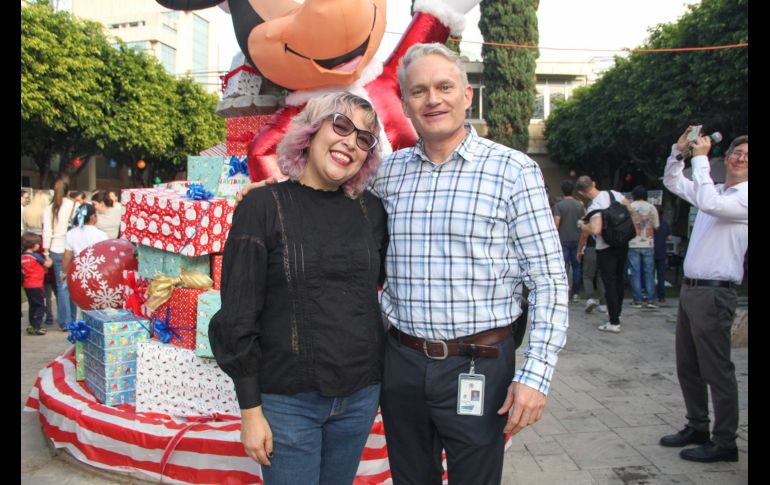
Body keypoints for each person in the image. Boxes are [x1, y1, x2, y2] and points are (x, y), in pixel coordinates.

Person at [370, 43, 568, 484]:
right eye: (419, 91)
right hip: (401, 363)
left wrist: (536, 375)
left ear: (466, 95)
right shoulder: (386, 173)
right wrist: (272, 191)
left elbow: (549, 279)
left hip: (480, 364)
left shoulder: (513, 170)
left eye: (444, 87)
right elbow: (329, 200)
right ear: (404, 103)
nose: (433, 100)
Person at [209, 92, 388, 484]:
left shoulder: (372, 211)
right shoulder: (261, 206)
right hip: (288, 405)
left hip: (360, 397)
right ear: (311, 130)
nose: (350, 142)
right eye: (341, 125)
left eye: (364, 138)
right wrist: (250, 410)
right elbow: (238, 313)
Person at [658, 129, 747, 463]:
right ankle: (697, 425)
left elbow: (710, 203)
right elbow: (673, 182)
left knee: (717, 369)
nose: (740, 159)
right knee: (688, 366)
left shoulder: (741, 197)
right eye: (737, 152)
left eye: (747, 157)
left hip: (715, 294)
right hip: (691, 290)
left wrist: (700, 159)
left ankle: (725, 442)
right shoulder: (717, 190)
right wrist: (678, 151)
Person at [576, 175, 632, 334]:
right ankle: (617, 313)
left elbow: (595, 230)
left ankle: (613, 321)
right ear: (594, 183)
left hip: (606, 247)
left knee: (609, 283)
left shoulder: (595, 206)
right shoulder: (614, 194)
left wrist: (582, 225)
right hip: (622, 243)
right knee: (619, 279)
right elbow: (630, 209)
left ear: (581, 192)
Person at [43, 177, 79, 331]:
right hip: (72, 249)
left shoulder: (49, 209)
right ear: (68, 190)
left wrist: (46, 252)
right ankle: (72, 318)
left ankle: (65, 322)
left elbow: (47, 232)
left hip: (56, 249)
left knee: (61, 286)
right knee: (72, 284)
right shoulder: (75, 206)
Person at [23, 191, 56, 326]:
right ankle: (49, 315)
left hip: (29, 241)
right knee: (50, 287)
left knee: (41, 290)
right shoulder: (47, 212)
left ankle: (39, 318)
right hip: (44, 244)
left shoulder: (27, 211)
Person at [552, 180, 586, 303]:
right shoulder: (579, 205)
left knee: (562, 267)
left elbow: (556, 223)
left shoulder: (559, 206)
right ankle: (576, 293)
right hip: (577, 239)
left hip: (563, 239)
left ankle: (562, 292)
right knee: (576, 267)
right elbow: (583, 222)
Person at [626, 185, 660, 309]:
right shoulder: (652, 207)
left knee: (635, 272)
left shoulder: (630, 207)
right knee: (649, 272)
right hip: (648, 243)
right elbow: (656, 226)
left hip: (633, 242)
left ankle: (637, 300)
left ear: (633, 195)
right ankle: (650, 299)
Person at [61, 203, 109, 277]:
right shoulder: (102, 235)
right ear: (93, 217)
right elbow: (105, 257)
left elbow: (67, 256)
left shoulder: (70, 233)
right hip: (95, 272)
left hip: (77, 271)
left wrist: (64, 273)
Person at [22, 232, 53, 336]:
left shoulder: (23, 256)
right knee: (40, 306)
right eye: (37, 243)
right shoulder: (35, 256)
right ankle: (37, 326)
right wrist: (47, 256)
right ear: (33, 245)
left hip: (27, 285)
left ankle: (31, 325)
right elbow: (48, 264)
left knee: (32, 305)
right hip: (36, 285)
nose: (39, 245)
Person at [577, 232, 607, 314]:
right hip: (604, 249)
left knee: (587, 276)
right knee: (601, 276)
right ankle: (603, 303)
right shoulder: (606, 223)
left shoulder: (590, 224)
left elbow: (584, 236)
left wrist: (579, 250)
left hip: (591, 248)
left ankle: (590, 299)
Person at [653, 208, 672, 303]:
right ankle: (661, 296)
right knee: (661, 275)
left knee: (649, 275)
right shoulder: (665, 224)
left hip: (651, 251)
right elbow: (669, 238)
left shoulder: (651, 224)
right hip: (662, 251)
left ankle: (650, 295)